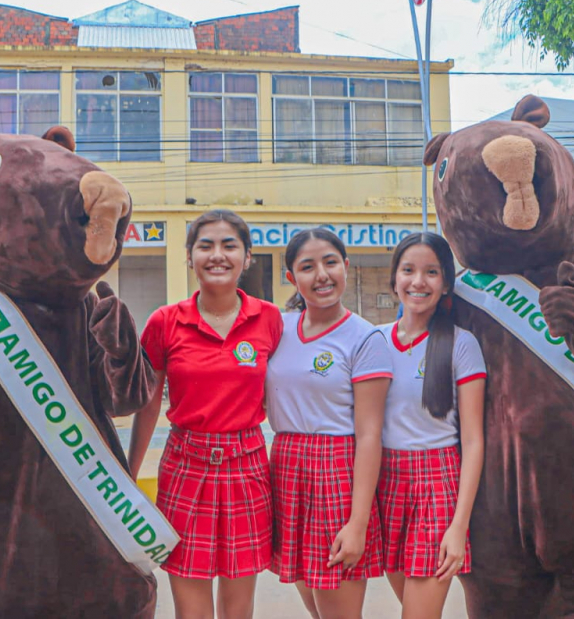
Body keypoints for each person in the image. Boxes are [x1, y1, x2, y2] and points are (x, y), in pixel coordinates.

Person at [129, 209, 283, 619]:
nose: (218, 255)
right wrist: (129, 473)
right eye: (206, 245)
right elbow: (147, 404)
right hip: (185, 466)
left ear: (247, 257)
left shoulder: (269, 319)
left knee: (238, 609)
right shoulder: (165, 322)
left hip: (247, 468)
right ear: (189, 256)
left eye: (229, 245)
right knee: (191, 608)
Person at [265, 228, 392, 619]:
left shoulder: (364, 338)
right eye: (307, 266)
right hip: (286, 467)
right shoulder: (277, 329)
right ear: (292, 278)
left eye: (330, 262)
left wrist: (357, 522)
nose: (321, 275)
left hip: (337, 471)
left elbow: (370, 435)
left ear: (346, 267)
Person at [375, 232, 486, 618]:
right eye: (408, 270)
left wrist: (458, 525)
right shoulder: (374, 342)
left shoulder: (461, 344)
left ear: (446, 284)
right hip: (383, 485)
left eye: (431, 272)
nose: (418, 282)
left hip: (435, 486)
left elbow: (472, 441)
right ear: (394, 279)